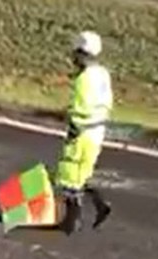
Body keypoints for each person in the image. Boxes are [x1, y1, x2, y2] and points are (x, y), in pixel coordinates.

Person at [56, 30, 112, 234]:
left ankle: (71, 221)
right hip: (98, 131)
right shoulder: (102, 73)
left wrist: (73, 129)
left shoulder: (84, 79)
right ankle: (100, 203)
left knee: (68, 178)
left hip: (82, 132)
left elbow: (81, 109)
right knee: (83, 174)